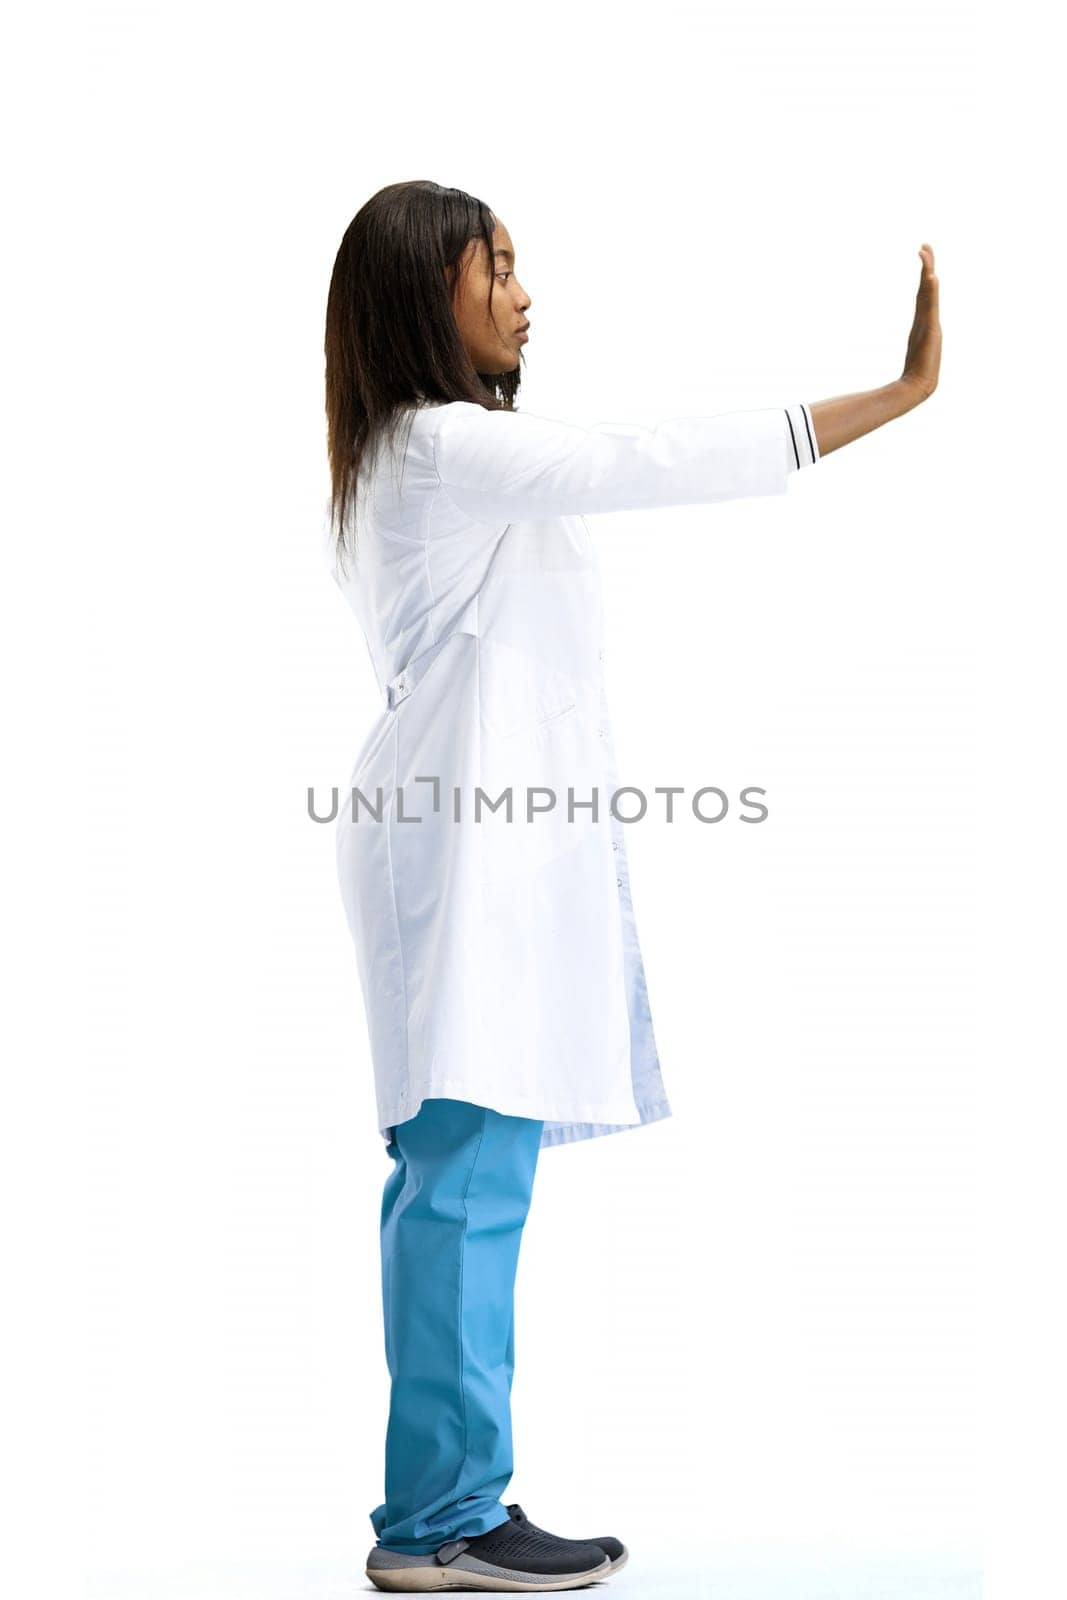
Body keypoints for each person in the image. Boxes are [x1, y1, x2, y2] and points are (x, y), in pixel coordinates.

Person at [321, 181, 941, 1593]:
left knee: (469, 1182)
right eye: (499, 264)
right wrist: (896, 395)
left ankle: (453, 1506)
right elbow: (647, 458)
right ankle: (436, 1524)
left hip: (477, 851)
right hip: (455, 855)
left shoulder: (426, 457)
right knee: (461, 1185)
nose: (527, 292)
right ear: (429, 291)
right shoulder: (439, 449)